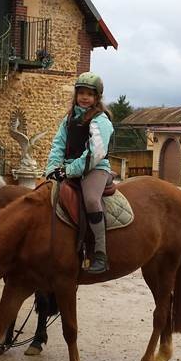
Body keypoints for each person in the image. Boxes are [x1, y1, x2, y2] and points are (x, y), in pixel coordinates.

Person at [44, 72, 114, 274]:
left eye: (89, 94)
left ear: (97, 97)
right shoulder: (69, 119)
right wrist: (52, 168)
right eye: (81, 93)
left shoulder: (101, 120)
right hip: (69, 167)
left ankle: (100, 253)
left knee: (91, 199)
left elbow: (95, 153)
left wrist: (68, 171)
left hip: (95, 169)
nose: (84, 97)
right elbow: (58, 144)